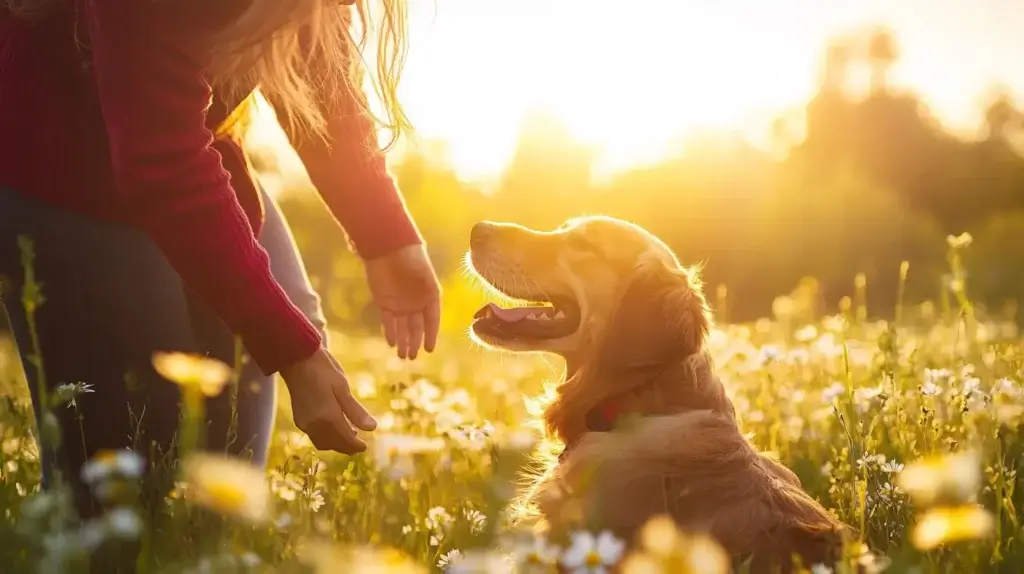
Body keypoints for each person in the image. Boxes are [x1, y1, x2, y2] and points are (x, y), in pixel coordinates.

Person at [0, 0, 440, 520]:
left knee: (246, 402)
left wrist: (386, 234)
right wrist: (290, 348)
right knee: (132, 459)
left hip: (185, 147)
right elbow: (162, 165)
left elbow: (314, 53)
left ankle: (210, 548)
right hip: (59, 167)